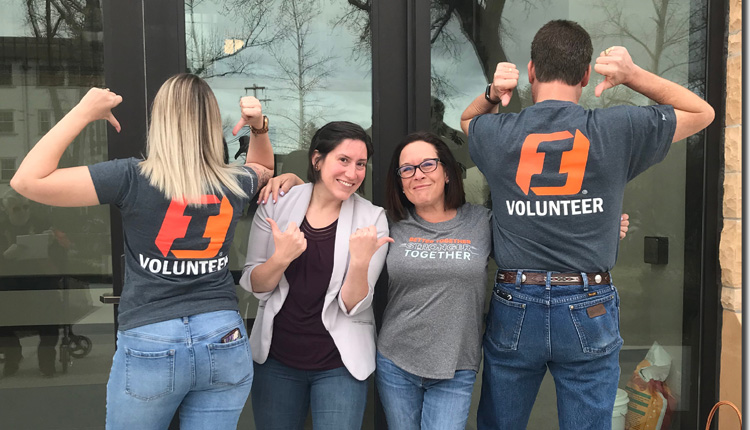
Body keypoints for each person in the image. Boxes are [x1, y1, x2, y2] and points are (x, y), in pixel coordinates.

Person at [459, 20, 715, 430]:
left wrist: (492, 95)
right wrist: (633, 76)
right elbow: (701, 112)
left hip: (515, 301)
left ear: (531, 71)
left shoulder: (497, 132)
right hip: (587, 302)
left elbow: (468, 123)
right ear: (584, 76)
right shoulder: (618, 128)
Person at [10, 73, 275, 429]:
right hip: (222, 333)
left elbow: (27, 181)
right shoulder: (234, 181)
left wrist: (83, 111)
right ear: (212, 124)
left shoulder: (130, 177)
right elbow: (265, 168)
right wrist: (258, 127)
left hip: (153, 336)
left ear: (160, 122)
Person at [240, 121, 391, 429]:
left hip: (339, 364)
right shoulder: (276, 204)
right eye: (344, 160)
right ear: (317, 159)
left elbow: (353, 306)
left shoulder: (372, 218)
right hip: (276, 360)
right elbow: (256, 285)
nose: (353, 174)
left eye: (360, 164)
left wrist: (360, 262)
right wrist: (281, 257)